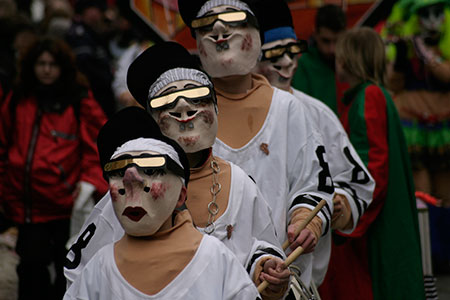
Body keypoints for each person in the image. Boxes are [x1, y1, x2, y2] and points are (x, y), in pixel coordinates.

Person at [65, 42, 290, 299]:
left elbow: (256, 246)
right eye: (167, 101)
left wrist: (265, 267)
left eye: (198, 97)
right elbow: (81, 273)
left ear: (217, 108)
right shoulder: (130, 188)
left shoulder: (238, 182)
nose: (184, 109)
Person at [177, 0, 335, 290]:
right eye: (205, 24)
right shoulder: (183, 120)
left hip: (282, 280)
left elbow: (314, 182)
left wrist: (307, 220)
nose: (219, 31)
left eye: (232, 19)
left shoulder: (289, 110)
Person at [64, 106, 261, 299]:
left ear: (181, 196)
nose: (132, 184)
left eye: (150, 171)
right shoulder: (99, 268)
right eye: (117, 174)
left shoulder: (215, 258)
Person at [252, 0, 375, 289]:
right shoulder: (220, 117)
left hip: (304, 277)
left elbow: (356, 183)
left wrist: (323, 214)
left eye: (292, 52)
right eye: (274, 54)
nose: (286, 63)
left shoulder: (316, 114)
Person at [318, 27, 424, 300]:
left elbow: (372, 169)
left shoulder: (368, 98)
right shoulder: (374, 95)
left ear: (351, 60)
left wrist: (349, 217)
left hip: (378, 224)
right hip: (385, 215)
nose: (336, 63)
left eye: (341, 58)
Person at [0, 36, 108, 300]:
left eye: (52, 64)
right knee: (31, 271)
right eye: (41, 63)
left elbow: (98, 147)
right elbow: (3, 145)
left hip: (66, 208)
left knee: (67, 271)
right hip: (26, 206)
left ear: (63, 67)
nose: (46, 69)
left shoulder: (78, 101)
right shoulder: (18, 100)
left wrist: (89, 182)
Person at [291, 4, 348, 115]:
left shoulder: (355, 62)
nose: (332, 49)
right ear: (315, 33)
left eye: (337, 41)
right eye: (326, 41)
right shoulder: (303, 64)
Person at [65, 0, 115, 117]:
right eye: (89, 9)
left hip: (102, 95)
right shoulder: (78, 34)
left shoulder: (96, 33)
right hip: (89, 94)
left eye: (97, 10)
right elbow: (84, 65)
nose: (94, 14)